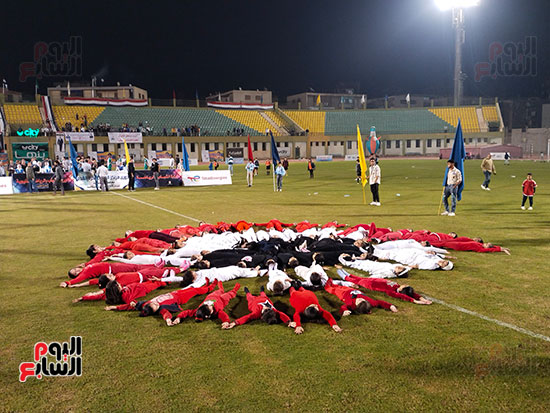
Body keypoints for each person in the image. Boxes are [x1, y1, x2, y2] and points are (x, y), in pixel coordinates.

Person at [171, 280, 240, 328]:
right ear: (208, 315)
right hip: (222, 300)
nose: (210, 306)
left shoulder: (199, 311)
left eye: (208, 306)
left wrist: (178, 317)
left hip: (211, 297)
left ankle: (221, 288)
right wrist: (226, 322)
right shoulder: (217, 312)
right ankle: (234, 290)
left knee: (218, 291)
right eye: (210, 308)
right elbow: (224, 316)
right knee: (228, 295)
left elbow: (187, 312)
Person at [225, 286, 293, 328]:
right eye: (268, 309)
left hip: (253, 302)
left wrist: (235, 322)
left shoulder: (256, 313)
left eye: (266, 310)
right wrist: (289, 322)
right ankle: (261, 291)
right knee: (263, 295)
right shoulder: (274, 311)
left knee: (249, 297)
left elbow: (247, 317)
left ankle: (247, 292)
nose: (266, 307)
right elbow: (282, 315)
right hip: (264, 298)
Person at [324, 278, 398, 315]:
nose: (359, 298)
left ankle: (326, 285)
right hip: (351, 290)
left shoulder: (350, 305)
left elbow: (343, 307)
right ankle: (332, 282)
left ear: (356, 306)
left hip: (343, 294)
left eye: (358, 301)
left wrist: (345, 311)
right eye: (362, 300)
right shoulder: (371, 302)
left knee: (333, 290)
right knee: (339, 286)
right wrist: (390, 306)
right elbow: (380, 302)